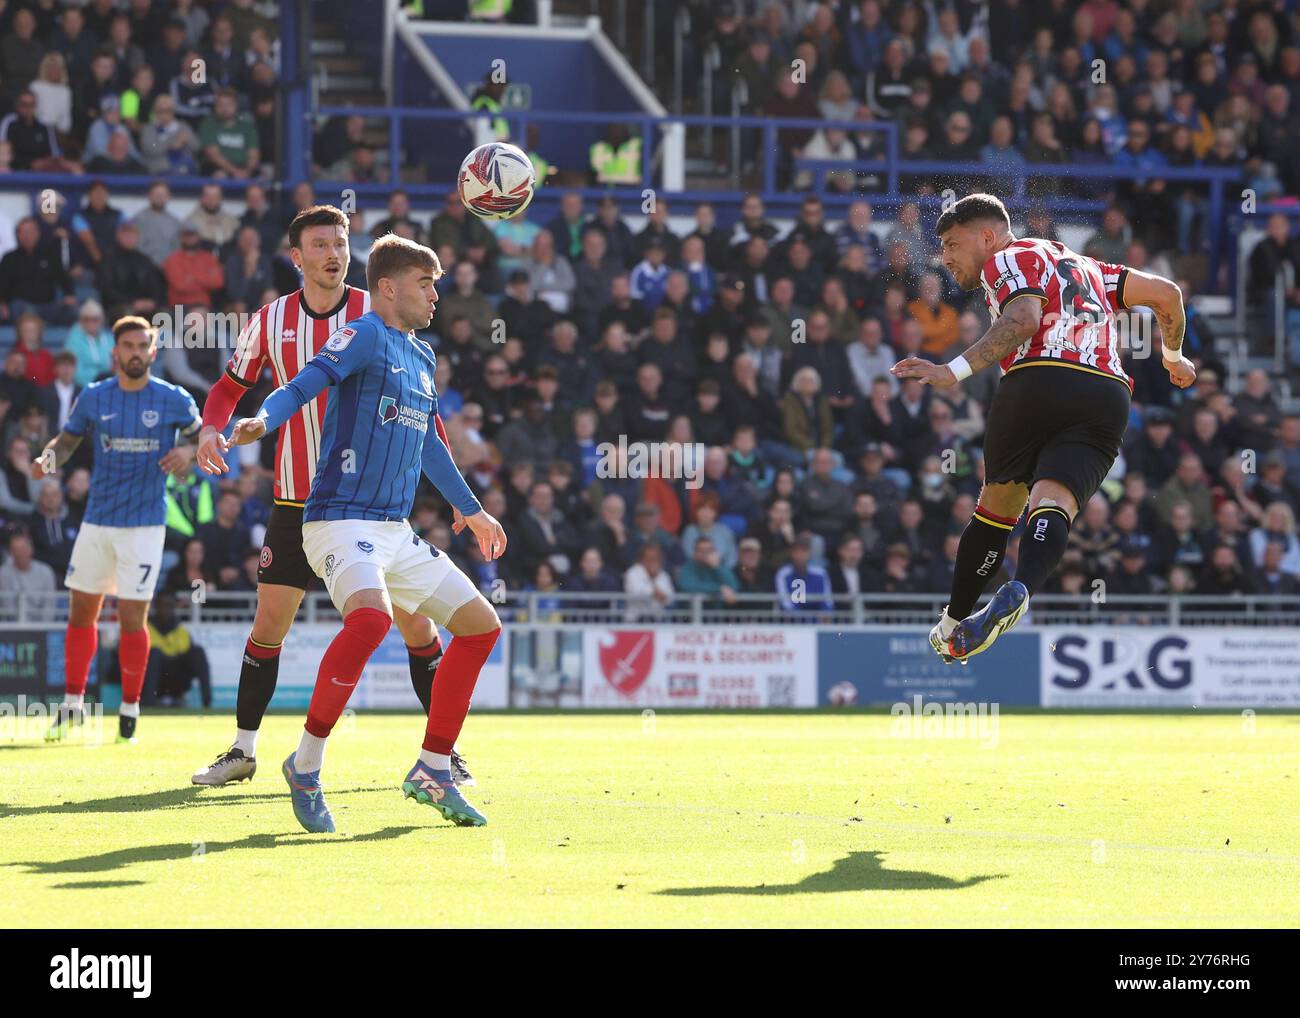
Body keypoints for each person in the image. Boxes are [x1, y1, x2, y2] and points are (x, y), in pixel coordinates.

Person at [225, 234, 507, 832]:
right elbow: (306, 384)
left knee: (482, 627)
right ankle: (305, 765)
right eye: (425, 284)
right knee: (373, 620)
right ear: (388, 287)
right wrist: (262, 418)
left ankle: (432, 767)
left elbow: (429, 443)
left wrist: (471, 509)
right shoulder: (364, 334)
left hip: (393, 529)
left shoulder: (423, 356)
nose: (435, 295)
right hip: (336, 517)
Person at [892, 194, 1195, 663]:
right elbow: (1168, 296)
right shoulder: (1089, 268)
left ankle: (952, 623)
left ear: (988, 236)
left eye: (953, 244)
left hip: (1037, 381)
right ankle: (1020, 589)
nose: (946, 258)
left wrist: (953, 370)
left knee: (997, 512)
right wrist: (1174, 359)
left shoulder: (1007, 257)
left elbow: (1024, 318)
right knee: (1054, 503)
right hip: (1106, 395)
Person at [34, 317, 201, 744]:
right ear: (115, 353)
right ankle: (73, 703)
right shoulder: (94, 397)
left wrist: (187, 449)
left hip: (145, 525)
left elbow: (205, 439)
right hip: (97, 521)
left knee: (132, 618)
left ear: (153, 352)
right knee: (81, 613)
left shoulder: (173, 399)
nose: (134, 352)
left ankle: (130, 708)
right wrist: (47, 461)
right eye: (127, 345)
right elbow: (67, 442)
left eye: (141, 345)